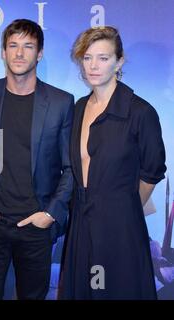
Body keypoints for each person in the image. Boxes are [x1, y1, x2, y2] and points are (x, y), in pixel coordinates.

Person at [0, 19, 74, 300]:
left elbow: (71, 167)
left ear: (40, 53)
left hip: (35, 225)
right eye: (13, 45)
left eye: (28, 46)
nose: (19, 53)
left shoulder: (61, 102)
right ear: (3, 52)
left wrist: (50, 214)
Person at [60, 26, 166, 299]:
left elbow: (152, 173)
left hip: (119, 227)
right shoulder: (79, 108)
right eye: (87, 57)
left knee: (113, 291)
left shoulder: (140, 112)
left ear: (119, 62)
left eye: (103, 58)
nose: (93, 65)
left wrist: (122, 207)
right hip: (81, 223)